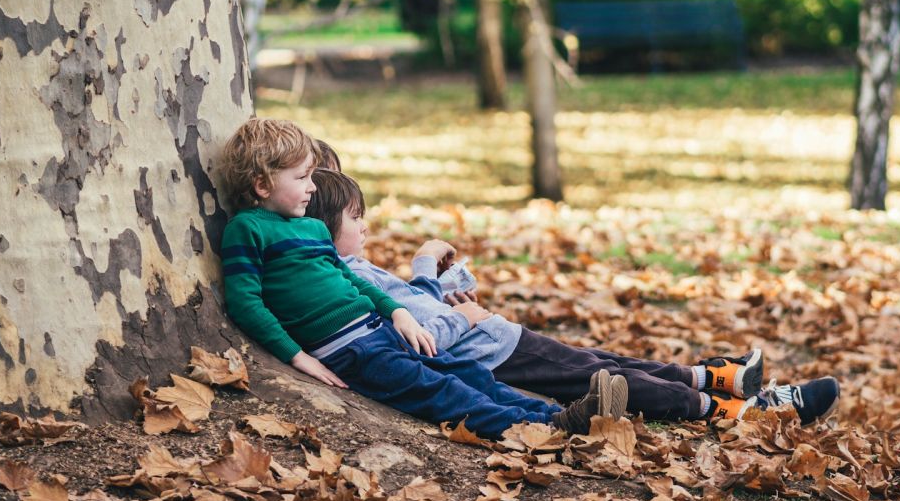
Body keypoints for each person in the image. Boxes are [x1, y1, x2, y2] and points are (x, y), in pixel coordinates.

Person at [304, 165, 841, 426]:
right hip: (491, 352)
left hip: (496, 338)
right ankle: (741, 412)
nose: (366, 227)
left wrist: (445, 290)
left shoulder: (350, 266)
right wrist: (452, 302)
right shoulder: (347, 276)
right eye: (356, 218)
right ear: (324, 226)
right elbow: (423, 332)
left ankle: (716, 376)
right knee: (607, 379)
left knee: (605, 361)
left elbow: (419, 310)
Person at [217, 118, 628, 439]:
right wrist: (296, 356)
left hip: (381, 330)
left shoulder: (311, 228)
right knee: (443, 393)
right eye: (302, 178)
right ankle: (540, 431)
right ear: (261, 183)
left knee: (468, 375)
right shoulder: (248, 230)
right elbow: (246, 303)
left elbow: (354, 282)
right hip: (351, 352)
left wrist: (398, 313)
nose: (312, 187)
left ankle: (561, 416)